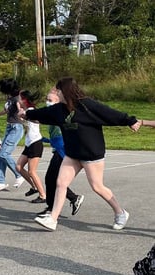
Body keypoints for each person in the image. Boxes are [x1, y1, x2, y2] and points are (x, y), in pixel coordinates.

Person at [21, 77, 141, 231]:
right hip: (73, 153)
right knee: (61, 183)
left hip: (91, 153)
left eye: (58, 90)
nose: (56, 92)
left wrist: (129, 120)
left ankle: (121, 212)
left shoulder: (86, 105)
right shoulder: (59, 109)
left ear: (65, 91)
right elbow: (43, 113)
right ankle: (53, 219)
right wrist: (27, 115)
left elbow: (108, 113)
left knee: (97, 186)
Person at [37, 89, 84, 216]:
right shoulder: (53, 115)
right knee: (52, 179)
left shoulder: (59, 115)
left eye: (50, 100)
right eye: (46, 99)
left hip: (63, 152)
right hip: (58, 150)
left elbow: (62, 137)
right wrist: (44, 139)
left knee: (54, 180)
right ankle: (56, 205)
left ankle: (67, 201)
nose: (47, 102)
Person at [0, 78, 25, 192]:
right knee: (1, 154)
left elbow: (21, 108)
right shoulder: (10, 98)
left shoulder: (17, 98)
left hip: (16, 128)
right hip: (9, 127)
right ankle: (0, 182)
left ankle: (19, 175)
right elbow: (6, 110)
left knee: (4, 154)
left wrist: (23, 115)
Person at [16, 90, 46, 203]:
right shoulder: (25, 111)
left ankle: (43, 195)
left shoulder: (31, 111)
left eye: (20, 98)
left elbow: (39, 120)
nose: (18, 100)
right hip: (29, 143)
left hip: (35, 143)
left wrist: (25, 116)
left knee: (32, 172)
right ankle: (34, 187)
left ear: (24, 99)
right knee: (18, 167)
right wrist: (21, 115)